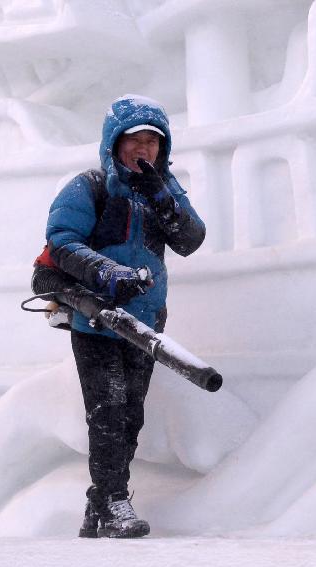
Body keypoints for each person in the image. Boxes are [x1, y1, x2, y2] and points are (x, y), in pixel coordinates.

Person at [32, 95, 206, 538]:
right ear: (114, 143)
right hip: (96, 319)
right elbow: (62, 242)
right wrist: (108, 274)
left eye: (153, 141)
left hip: (144, 324)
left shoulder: (160, 193)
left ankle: (99, 505)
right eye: (135, 140)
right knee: (107, 411)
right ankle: (112, 504)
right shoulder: (88, 187)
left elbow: (190, 239)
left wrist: (162, 196)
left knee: (130, 416)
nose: (144, 149)